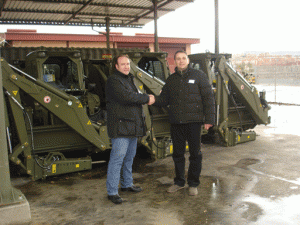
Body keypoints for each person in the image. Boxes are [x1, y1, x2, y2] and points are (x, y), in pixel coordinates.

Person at [153, 50, 215, 196]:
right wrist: (152, 99)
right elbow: (164, 99)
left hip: (194, 122)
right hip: (177, 122)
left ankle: (193, 183)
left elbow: (209, 98)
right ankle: (179, 182)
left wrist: (209, 119)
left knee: (195, 154)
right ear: (174, 61)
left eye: (183, 58)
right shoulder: (171, 79)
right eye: (178, 59)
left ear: (188, 60)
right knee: (178, 154)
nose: (181, 61)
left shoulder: (199, 76)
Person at [105, 55, 155, 204]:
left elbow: (133, 96)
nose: (126, 66)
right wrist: (147, 98)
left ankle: (127, 184)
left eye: (128, 64)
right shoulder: (114, 81)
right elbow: (127, 97)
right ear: (116, 66)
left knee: (129, 157)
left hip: (131, 126)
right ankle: (112, 191)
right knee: (117, 159)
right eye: (123, 64)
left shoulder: (129, 79)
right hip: (120, 127)